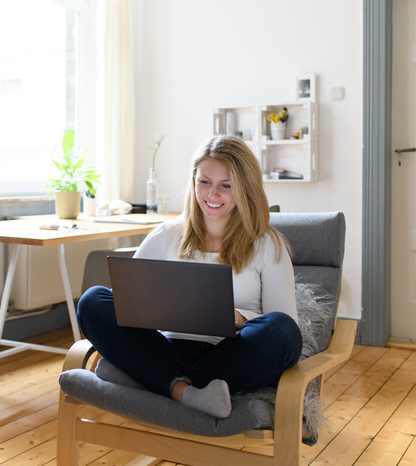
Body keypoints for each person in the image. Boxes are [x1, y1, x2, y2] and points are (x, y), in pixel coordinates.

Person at [77, 135, 302, 418]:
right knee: (93, 300)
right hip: (165, 347)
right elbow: (127, 304)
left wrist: (241, 320)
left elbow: (286, 325)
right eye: (204, 182)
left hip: (229, 356)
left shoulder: (268, 244)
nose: (212, 195)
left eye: (226, 186)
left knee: (283, 332)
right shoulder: (166, 235)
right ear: (193, 180)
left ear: (245, 188)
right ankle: (188, 391)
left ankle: (149, 379)